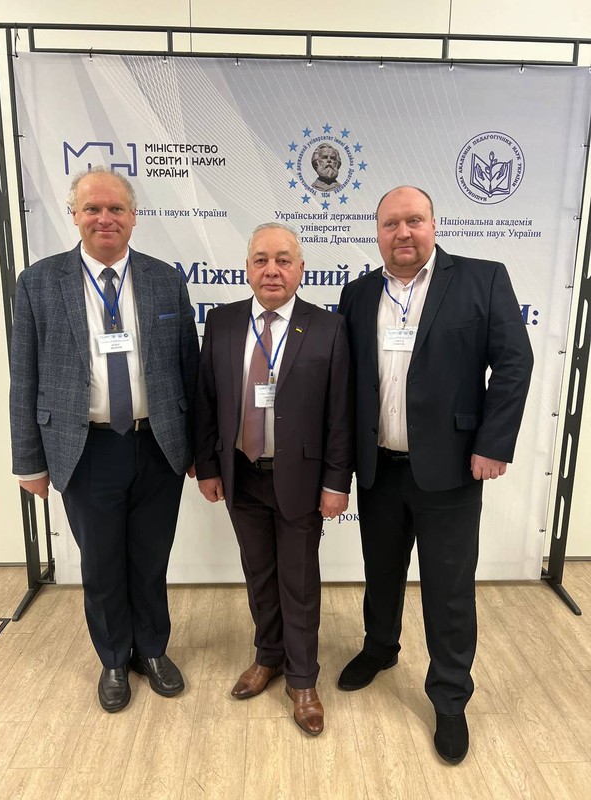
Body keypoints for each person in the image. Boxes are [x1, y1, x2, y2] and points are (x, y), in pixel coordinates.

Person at [337, 186, 533, 763]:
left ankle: (449, 696)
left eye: (414, 221)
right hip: (378, 467)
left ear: (433, 224)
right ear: (377, 232)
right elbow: (346, 382)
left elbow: (514, 363)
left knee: (448, 590)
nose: (403, 233)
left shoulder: (482, 279)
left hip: (452, 468)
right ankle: (380, 647)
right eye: (390, 223)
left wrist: (492, 443)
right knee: (381, 572)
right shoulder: (357, 294)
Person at [10, 166, 199, 712]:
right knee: (100, 563)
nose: (104, 218)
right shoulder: (39, 282)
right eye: (92, 208)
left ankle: (152, 650)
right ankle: (114, 657)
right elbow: (24, 376)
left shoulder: (165, 279)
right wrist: (29, 461)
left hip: (157, 444)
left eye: (116, 208)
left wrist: (197, 449)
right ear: (74, 215)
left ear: (133, 216)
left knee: (150, 558)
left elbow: (189, 368)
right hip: (83, 448)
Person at [194, 222, 353, 736]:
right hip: (241, 475)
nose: (272, 270)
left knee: (299, 582)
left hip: (301, 480)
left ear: (300, 269)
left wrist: (336, 482)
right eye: (261, 259)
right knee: (259, 574)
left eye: (283, 260)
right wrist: (208, 466)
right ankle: (268, 656)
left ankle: (302, 680)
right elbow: (206, 400)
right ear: (247, 268)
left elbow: (340, 415)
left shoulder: (327, 328)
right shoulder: (221, 322)